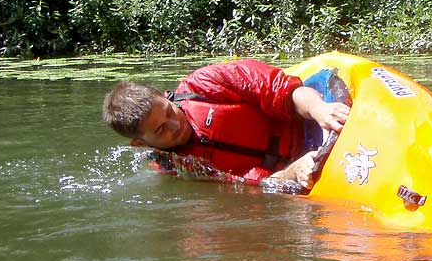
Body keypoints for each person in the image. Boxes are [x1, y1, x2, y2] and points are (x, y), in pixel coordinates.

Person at [103, 59, 350, 188]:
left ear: (164, 96)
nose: (175, 124)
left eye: (169, 111)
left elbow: (277, 88)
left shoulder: (204, 83)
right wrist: (292, 173)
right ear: (141, 144)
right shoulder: (177, 170)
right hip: (292, 166)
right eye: (161, 130)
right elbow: (251, 187)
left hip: (306, 120)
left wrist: (320, 109)